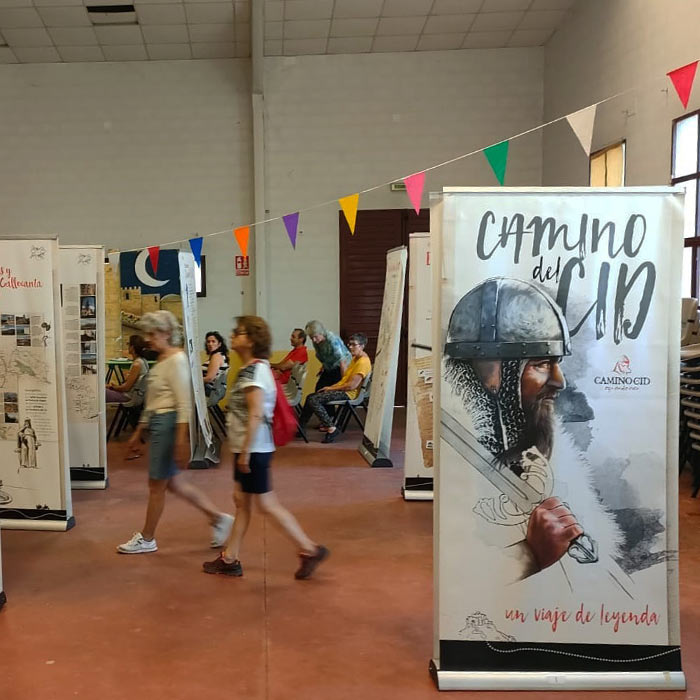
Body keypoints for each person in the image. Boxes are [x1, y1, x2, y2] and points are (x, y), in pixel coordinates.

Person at [442, 277, 625, 587]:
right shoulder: (457, 459)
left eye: (556, 364)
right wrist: (529, 554)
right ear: (494, 374)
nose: (559, 381)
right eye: (542, 363)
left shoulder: (542, 452)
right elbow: (460, 577)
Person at [203, 315, 328, 579]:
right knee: (242, 503)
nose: (233, 336)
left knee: (266, 505)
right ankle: (230, 558)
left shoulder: (254, 372)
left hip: (254, 450)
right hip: (250, 449)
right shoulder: (253, 368)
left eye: (238, 333)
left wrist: (245, 453)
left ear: (250, 340)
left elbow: (257, 414)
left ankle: (308, 549)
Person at [117, 310, 234, 555]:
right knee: (174, 484)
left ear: (167, 333)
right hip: (159, 423)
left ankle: (147, 538)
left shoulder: (177, 360)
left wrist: (181, 441)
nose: (148, 338)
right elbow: (152, 402)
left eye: (153, 333)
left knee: (157, 485)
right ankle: (218, 518)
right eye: (147, 333)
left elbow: (183, 404)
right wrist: (138, 431)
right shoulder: (161, 360)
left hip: (169, 425)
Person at [299, 333, 371, 443]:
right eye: (349, 344)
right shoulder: (356, 359)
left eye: (353, 345)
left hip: (349, 393)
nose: (350, 347)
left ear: (362, 346)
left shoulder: (363, 362)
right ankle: (301, 427)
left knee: (313, 399)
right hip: (344, 389)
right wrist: (342, 363)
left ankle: (331, 429)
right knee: (310, 397)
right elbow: (345, 377)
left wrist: (331, 389)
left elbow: (352, 385)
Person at [304, 320, 351, 391]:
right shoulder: (316, 342)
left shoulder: (332, 340)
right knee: (319, 389)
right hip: (330, 368)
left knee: (331, 390)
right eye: (311, 338)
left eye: (315, 337)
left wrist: (344, 381)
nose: (313, 340)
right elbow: (324, 356)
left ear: (321, 333)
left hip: (341, 367)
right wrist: (323, 366)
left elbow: (342, 361)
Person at [105, 335, 149, 405]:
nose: (127, 347)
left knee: (101, 392)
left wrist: (112, 387)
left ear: (132, 347)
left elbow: (126, 388)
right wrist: (115, 386)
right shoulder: (143, 361)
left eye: (128, 344)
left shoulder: (137, 364)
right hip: (132, 395)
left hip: (128, 396)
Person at [202, 331, 230, 406]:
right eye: (208, 342)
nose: (210, 344)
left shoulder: (216, 357)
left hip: (210, 390)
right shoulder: (220, 355)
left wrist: (194, 383)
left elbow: (209, 378)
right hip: (215, 390)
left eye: (213, 341)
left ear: (219, 344)